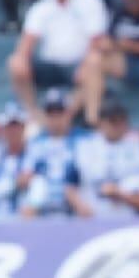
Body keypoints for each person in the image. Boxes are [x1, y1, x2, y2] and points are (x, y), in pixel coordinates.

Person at [10, 0, 109, 124]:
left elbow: (97, 40)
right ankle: (33, 115)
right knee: (15, 63)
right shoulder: (41, 7)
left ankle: (90, 119)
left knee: (95, 61)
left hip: (78, 63)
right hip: (49, 64)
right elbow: (26, 43)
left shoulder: (90, 1)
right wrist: (21, 58)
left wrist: (84, 65)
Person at [20, 87, 92, 218]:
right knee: (36, 188)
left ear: (69, 113)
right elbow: (26, 175)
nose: (55, 118)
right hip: (42, 205)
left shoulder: (85, 139)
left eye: (59, 112)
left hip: (76, 201)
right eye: (50, 113)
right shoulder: (36, 142)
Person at [73, 98, 139, 216]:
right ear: (101, 122)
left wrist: (119, 191)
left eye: (122, 121)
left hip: (129, 213)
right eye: (113, 121)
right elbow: (76, 180)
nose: (118, 126)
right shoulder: (86, 145)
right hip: (94, 212)